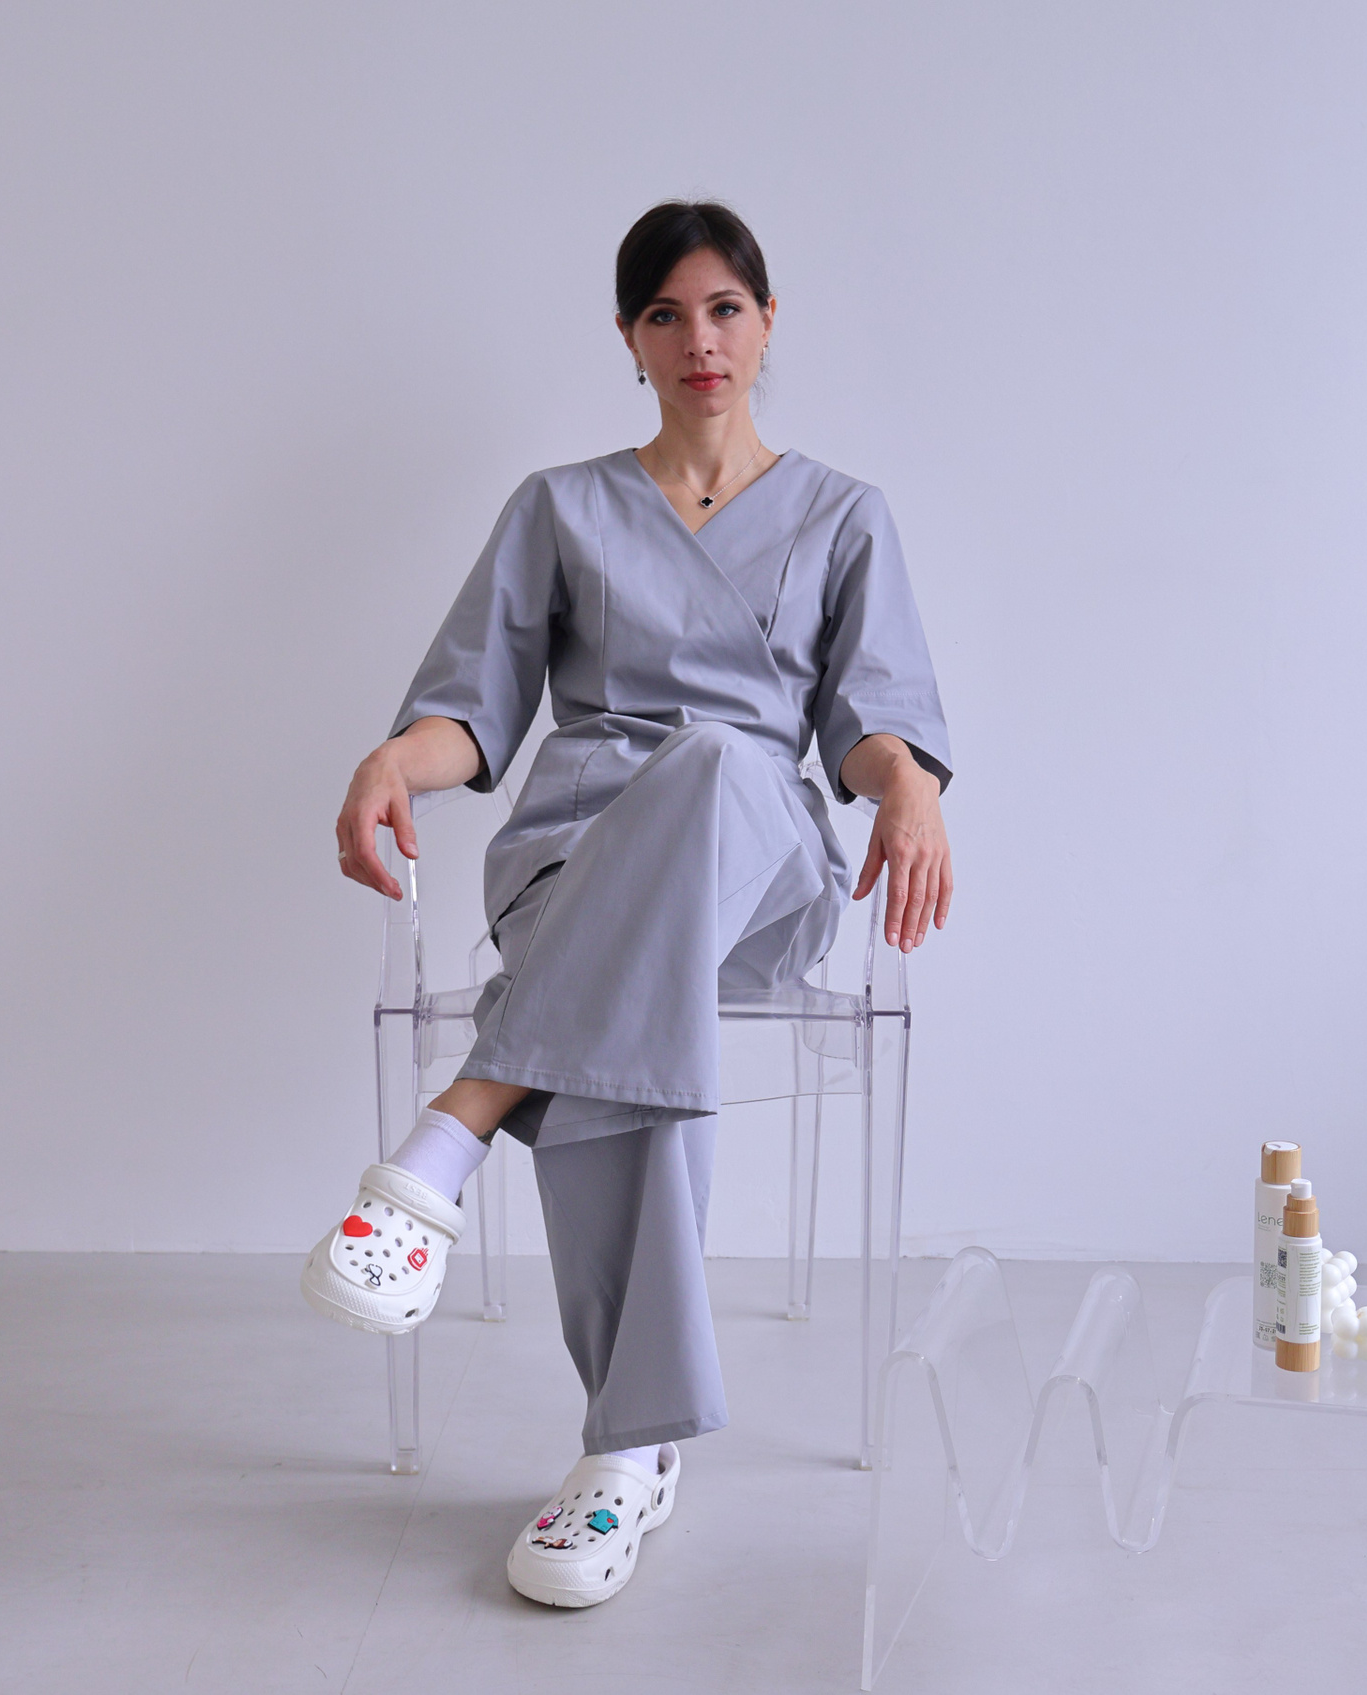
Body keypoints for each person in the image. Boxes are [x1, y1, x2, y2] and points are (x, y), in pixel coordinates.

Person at [301, 199, 954, 1609]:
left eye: (725, 309)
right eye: (666, 314)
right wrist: (389, 760)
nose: (699, 339)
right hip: (575, 857)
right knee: (635, 1030)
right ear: (629, 339)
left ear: (766, 324)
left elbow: (865, 725)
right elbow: (472, 712)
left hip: (758, 869)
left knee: (714, 761)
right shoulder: (560, 507)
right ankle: (630, 1452)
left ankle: (456, 1126)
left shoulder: (843, 516)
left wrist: (907, 780)